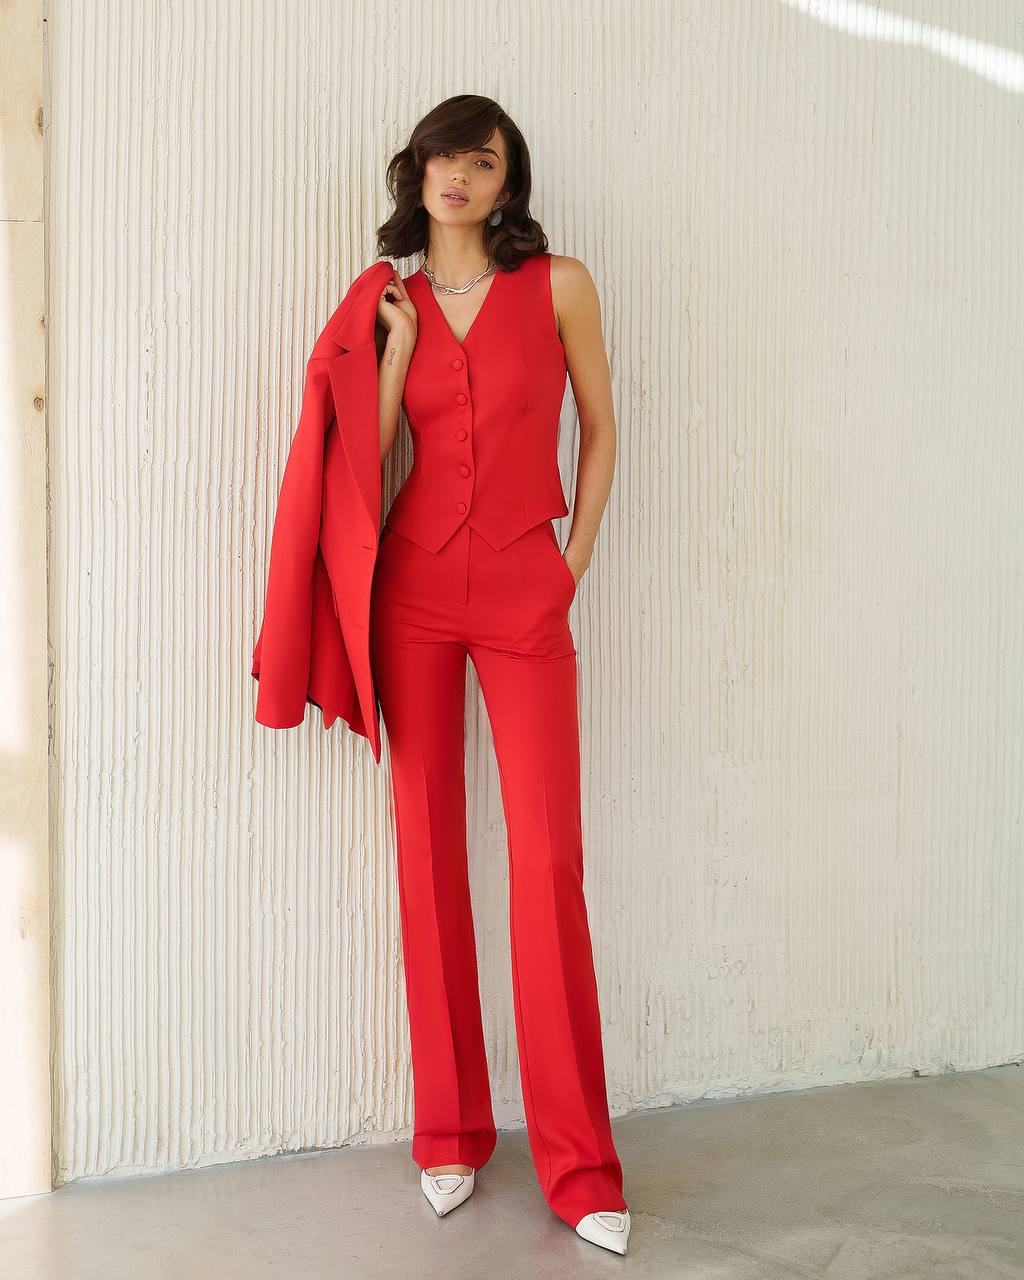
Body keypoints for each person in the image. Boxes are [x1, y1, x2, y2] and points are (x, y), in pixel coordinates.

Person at [369, 94, 630, 1257]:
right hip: (413, 593)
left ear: (508, 178)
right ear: (416, 172)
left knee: (547, 859)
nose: (460, 175)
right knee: (425, 856)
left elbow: (602, 424)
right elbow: (364, 459)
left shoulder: (559, 283)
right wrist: (399, 357)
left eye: (483, 159)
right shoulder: (396, 303)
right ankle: (450, 1130)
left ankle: (580, 1164)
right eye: (444, 156)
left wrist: (568, 564)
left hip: (527, 587)